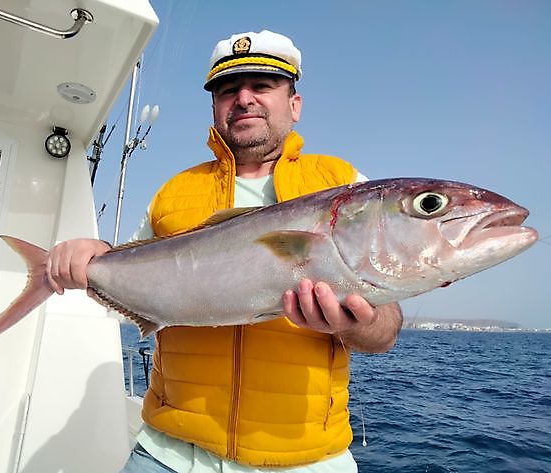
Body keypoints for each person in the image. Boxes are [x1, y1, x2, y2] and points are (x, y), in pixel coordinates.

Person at [48, 30, 403, 473]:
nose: (244, 99)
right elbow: (137, 270)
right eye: (228, 90)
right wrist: (98, 256)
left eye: (263, 85)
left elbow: (386, 331)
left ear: (294, 105)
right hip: (167, 453)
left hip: (305, 460)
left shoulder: (344, 184)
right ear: (215, 108)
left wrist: (359, 324)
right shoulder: (174, 192)